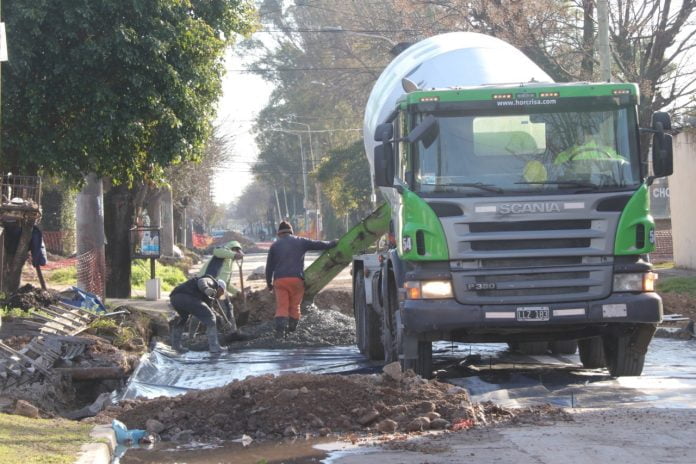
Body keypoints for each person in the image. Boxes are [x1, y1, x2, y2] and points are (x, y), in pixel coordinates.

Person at [265, 221, 338, 337]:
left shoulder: (274, 246)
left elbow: (269, 267)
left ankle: (280, 333)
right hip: (296, 280)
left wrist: (269, 283)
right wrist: (332, 243)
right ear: (291, 232)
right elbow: (319, 244)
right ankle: (292, 331)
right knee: (295, 306)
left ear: (279, 233)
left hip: (280, 281)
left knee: (282, 306)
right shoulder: (300, 241)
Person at [169, 275, 226, 353]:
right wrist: (206, 289)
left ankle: (176, 346)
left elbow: (206, 310)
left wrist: (219, 316)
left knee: (183, 318)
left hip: (175, 298)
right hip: (187, 296)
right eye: (221, 293)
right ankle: (214, 347)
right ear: (220, 288)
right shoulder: (212, 282)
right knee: (211, 318)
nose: (220, 296)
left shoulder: (209, 297)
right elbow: (201, 282)